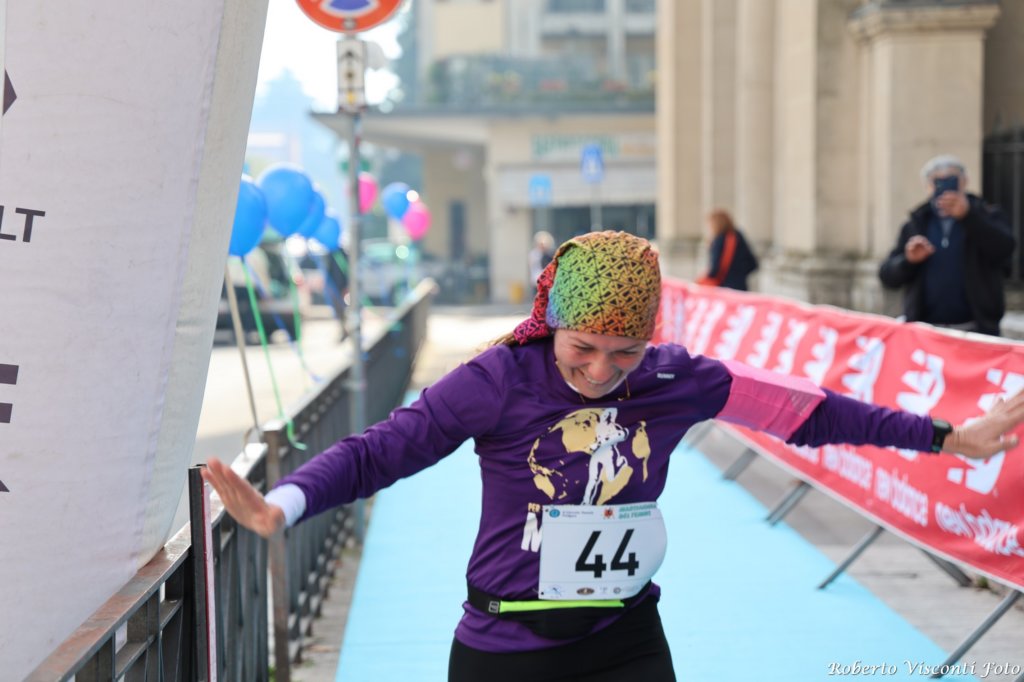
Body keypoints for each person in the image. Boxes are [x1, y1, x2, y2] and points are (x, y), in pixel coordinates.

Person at [204, 231, 1023, 682]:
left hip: (626, 637)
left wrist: (951, 437)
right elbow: (382, 450)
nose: (601, 371)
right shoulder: (497, 380)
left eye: (624, 352)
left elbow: (809, 412)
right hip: (505, 650)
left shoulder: (676, 379)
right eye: (583, 348)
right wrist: (289, 503)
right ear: (551, 324)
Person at [878, 154, 1015, 336]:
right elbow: (887, 276)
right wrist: (908, 261)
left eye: (951, 180)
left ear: (964, 182)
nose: (944, 188)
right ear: (928, 186)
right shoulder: (917, 223)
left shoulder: (987, 214)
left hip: (975, 330)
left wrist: (968, 216)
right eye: (937, 182)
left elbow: (1005, 249)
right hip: (926, 332)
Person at [696, 209, 759, 291]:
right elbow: (753, 264)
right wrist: (739, 274)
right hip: (740, 286)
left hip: (724, 287)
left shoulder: (719, 240)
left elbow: (715, 269)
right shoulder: (738, 236)